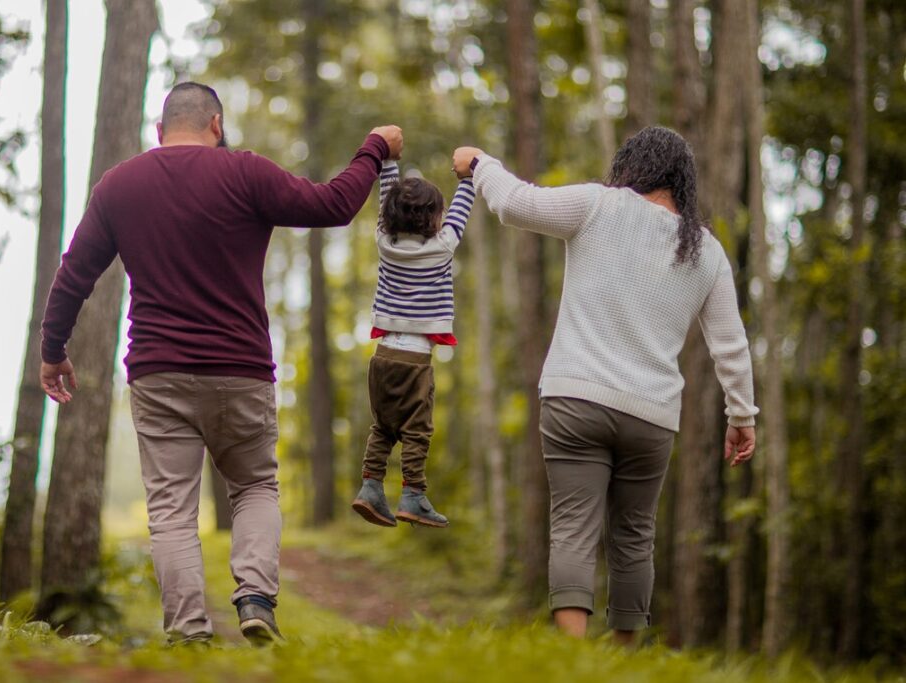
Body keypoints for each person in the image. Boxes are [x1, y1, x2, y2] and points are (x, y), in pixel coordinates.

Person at [39, 81, 403, 646]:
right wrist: (374, 147)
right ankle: (256, 598)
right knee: (255, 485)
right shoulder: (245, 172)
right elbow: (334, 205)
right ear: (217, 124)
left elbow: (74, 275)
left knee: (171, 511)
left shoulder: (120, 185)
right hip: (240, 369)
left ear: (160, 133)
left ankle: (187, 633)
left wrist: (52, 350)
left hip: (158, 373)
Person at [452, 126, 758, 644]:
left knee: (574, 527)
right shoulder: (706, 252)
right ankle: (621, 661)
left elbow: (515, 204)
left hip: (576, 399)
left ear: (631, 167)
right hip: (652, 416)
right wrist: (742, 416)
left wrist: (481, 163)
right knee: (635, 539)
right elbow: (730, 345)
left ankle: (573, 660)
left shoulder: (598, 205)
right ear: (682, 181)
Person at [350, 159, 475, 529]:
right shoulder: (443, 247)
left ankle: (371, 486)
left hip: (383, 356)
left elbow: (385, 196)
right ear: (434, 218)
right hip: (415, 360)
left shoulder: (384, 243)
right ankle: (413, 494)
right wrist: (468, 176)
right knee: (416, 430)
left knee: (383, 427)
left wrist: (388, 161)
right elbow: (462, 208)